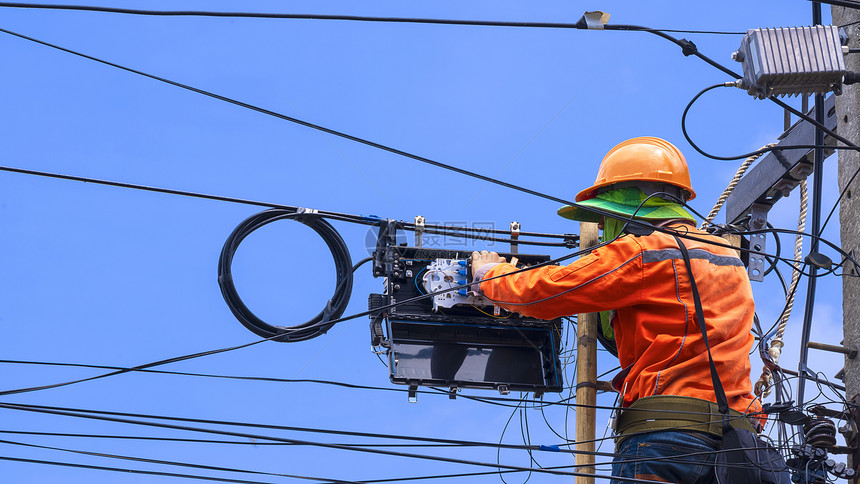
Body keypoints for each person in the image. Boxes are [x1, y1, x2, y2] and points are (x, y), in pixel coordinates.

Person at [471, 137, 776, 483]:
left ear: (627, 210)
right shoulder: (727, 258)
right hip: (736, 449)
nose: (602, 233)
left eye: (604, 221)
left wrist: (490, 276)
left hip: (664, 440)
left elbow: (546, 290)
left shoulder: (643, 252)